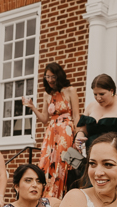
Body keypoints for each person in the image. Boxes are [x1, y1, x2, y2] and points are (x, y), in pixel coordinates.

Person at [22, 63, 80, 198]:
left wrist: (77, 137)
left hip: (66, 131)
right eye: (47, 77)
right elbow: (44, 119)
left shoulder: (70, 90)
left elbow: (76, 115)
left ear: (59, 75)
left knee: (62, 163)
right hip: (51, 133)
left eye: (52, 76)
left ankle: (60, 197)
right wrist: (32, 107)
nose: (50, 80)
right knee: (45, 163)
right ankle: (47, 196)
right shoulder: (47, 95)